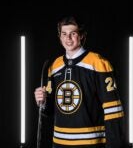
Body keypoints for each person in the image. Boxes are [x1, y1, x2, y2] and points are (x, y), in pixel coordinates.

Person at [34, 16, 125, 148]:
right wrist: (42, 101)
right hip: (59, 143)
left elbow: (113, 111)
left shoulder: (98, 63)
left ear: (82, 35)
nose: (68, 38)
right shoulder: (54, 66)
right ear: (59, 37)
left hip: (90, 143)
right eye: (64, 34)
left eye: (73, 33)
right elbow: (50, 110)